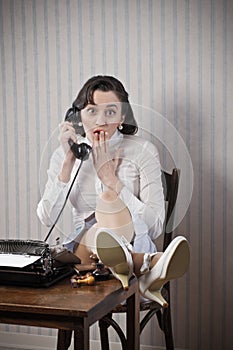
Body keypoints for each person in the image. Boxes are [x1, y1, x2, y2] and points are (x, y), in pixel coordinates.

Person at [37, 75, 190, 307]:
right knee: (98, 227)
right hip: (84, 258)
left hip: (131, 243)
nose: (101, 120)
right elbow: (47, 218)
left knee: (109, 201)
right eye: (92, 111)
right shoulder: (65, 155)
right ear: (78, 116)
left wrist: (111, 180)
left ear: (122, 117)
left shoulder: (143, 151)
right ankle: (150, 266)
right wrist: (67, 164)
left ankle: (130, 262)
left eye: (110, 112)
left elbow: (155, 226)